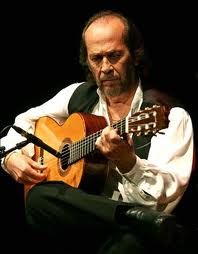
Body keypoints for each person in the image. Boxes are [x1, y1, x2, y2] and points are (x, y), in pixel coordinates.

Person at [0, 10, 194, 253]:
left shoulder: (168, 116)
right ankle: (128, 218)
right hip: (85, 219)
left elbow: (165, 198)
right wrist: (10, 157)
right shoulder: (78, 95)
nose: (105, 68)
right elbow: (21, 125)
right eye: (96, 58)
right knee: (37, 199)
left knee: (128, 246)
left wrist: (128, 162)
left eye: (114, 56)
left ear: (134, 55)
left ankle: (131, 220)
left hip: (139, 235)